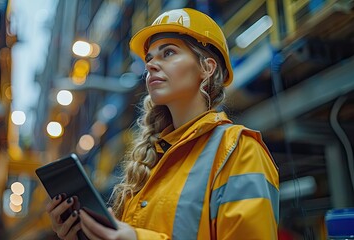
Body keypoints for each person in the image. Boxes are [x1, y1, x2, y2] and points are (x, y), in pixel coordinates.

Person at [46, 8, 279, 240]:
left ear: (207, 68)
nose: (150, 65)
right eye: (149, 58)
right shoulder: (148, 165)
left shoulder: (239, 151)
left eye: (168, 53)